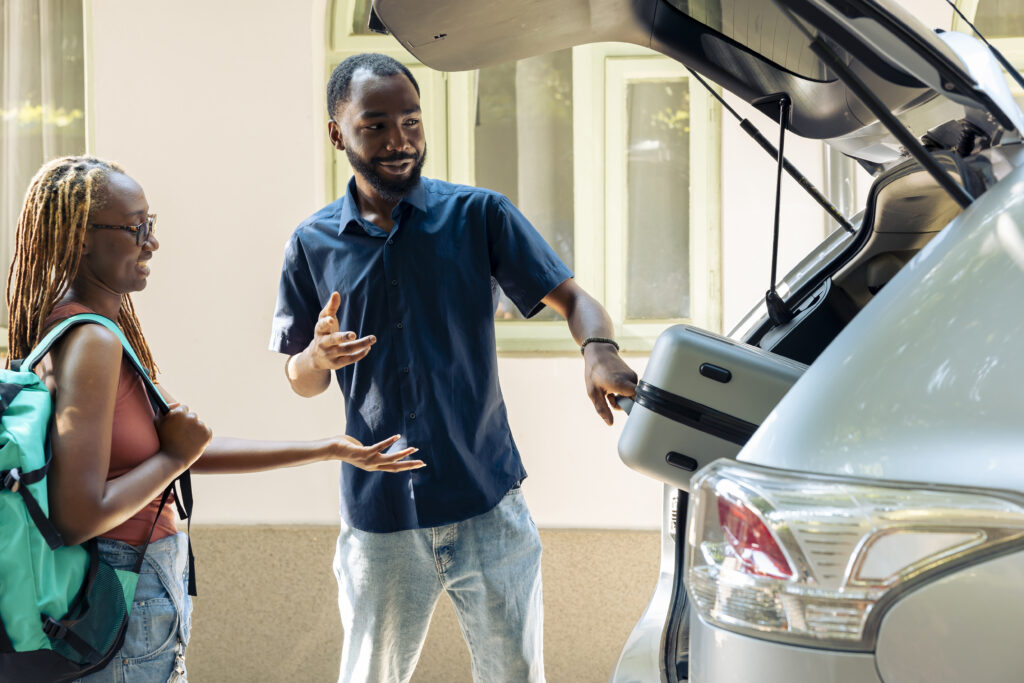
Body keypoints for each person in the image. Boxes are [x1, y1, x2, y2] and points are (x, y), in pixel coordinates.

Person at [269, 53, 638, 682]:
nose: (398, 141)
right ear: (338, 132)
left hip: (486, 501)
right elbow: (301, 379)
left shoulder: (479, 217)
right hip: (379, 520)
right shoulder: (311, 244)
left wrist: (597, 348)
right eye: (375, 125)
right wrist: (314, 356)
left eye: (410, 122)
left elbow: (573, 299)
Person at [5, 155, 426, 683]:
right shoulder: (92, 341)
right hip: (126, 589)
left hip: (120, 589)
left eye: (150, 225)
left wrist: (330, 447)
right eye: (136, 227)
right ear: (81, 237)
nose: (150, 242)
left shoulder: (67, 328)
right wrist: (176, 456)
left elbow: (183, 450)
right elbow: (79, 514)